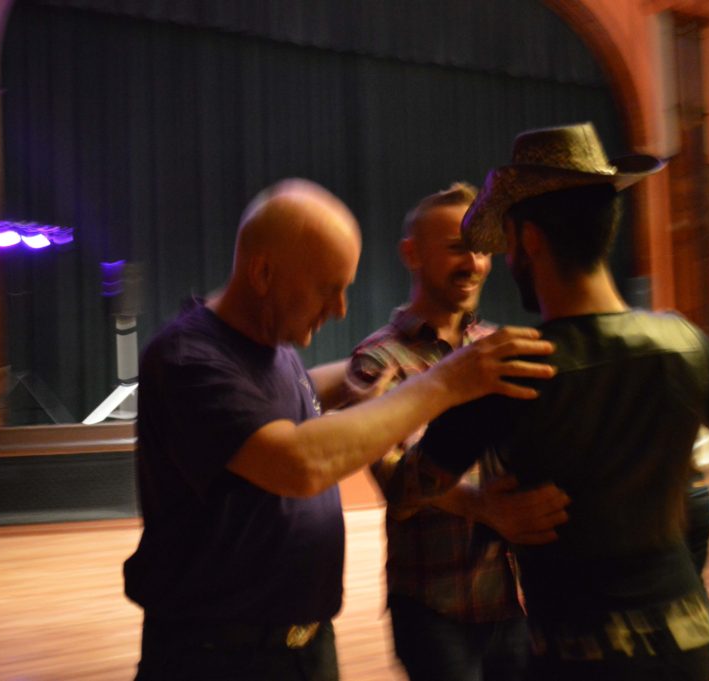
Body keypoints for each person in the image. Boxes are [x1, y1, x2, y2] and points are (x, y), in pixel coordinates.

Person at [122, 178, 559, 681]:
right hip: (218, 657)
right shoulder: (189, 359)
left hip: (299, 648)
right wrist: (445, 381)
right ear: (263, 273)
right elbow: (300, 464)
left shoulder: (270, 348)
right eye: (330, 288)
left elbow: (297, 392)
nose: (341, 307)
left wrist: (369, 375)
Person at [409, 123, 709, 681]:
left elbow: (417, 484)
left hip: (577, 657)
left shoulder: (509, 366)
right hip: (690, 646)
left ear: (529, 240)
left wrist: (481, 503)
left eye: (509, 246)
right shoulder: (685, 342)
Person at [345, 182, 570, 681]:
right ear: (411, 254)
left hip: (512, 599)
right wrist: (487, 507)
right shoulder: (377, 360)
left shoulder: (495, 346)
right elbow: (394, 479)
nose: (474, 263)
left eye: (482, 249)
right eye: (455, 248)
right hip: (433, 607)